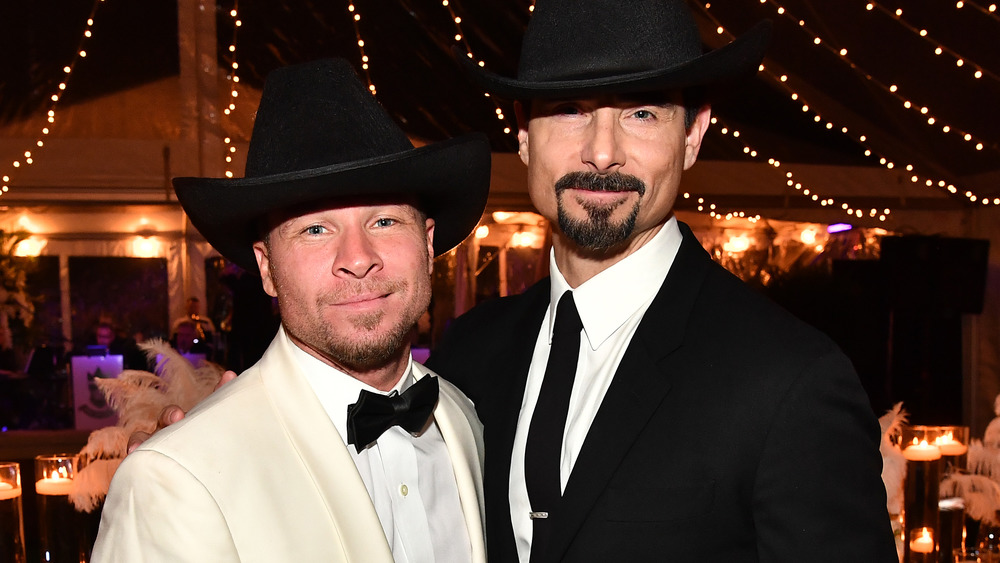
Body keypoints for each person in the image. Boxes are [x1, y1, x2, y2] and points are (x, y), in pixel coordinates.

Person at [425, 0, 898, 561]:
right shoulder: (470, 354)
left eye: (642, 113)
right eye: (570, 109)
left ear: (694, 136)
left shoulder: (790, 380)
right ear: (524, 134)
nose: (602, 152)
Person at [92, 58, 492, 562]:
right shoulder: (176, 478)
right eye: (315, 230)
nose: (358, 259)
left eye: (386, 221)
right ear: (266, 268)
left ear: (428, 244)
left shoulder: (465, 420)